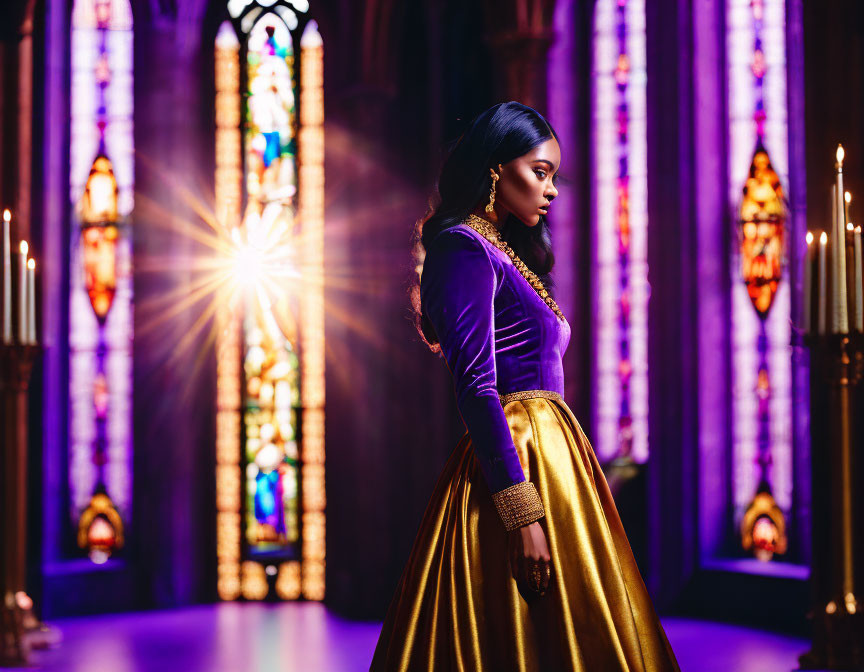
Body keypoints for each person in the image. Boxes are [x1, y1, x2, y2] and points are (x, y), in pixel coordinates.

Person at [370, 101, 680, 671]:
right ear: (496, 168)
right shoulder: (462, 247)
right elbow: (477, 387)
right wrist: (521, 511)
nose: (552, 190)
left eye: (554, 176)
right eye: (540, 172)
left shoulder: (505, 252)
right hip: (516, 464)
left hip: (555, 461)